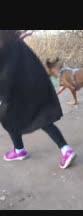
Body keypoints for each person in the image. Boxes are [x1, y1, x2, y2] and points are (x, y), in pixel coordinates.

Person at [0, 30, 76, 169]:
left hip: (16, 86)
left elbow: (6, 69)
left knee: (9, 116)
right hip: (34, 81)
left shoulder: (6, 41)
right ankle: (64, 149)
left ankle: (20, 150)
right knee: (40, 118)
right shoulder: (12, 38)